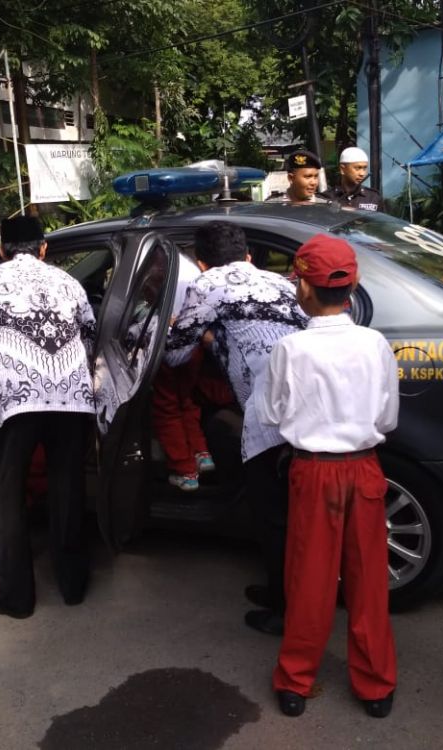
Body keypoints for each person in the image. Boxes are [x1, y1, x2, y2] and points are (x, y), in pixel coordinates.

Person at [254, 233, 399, 719]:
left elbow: (272, 413)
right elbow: (387, 419)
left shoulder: (290, 348)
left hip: (312, 470)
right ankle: (376, 685)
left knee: (309, 579)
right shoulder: (375, 344)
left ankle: (295, 680)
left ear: (303, 288)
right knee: (368, 580)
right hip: (365, 468)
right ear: (353, 285)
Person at [164, 221, 307, 635]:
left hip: (269, 413)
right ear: (247, 255)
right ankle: (282, 590)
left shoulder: (207, 285)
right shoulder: (279, 283)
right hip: (309, 403)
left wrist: (180, 327)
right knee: (289, 509)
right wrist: (216, 339)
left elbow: (174, 356)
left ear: (201, 263)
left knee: (273, 514)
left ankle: (286, 611)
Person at [0, 215, 96, 618]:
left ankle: (15, 598)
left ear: (1, 251)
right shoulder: (69, 282)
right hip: (73, 399)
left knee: (7, 496)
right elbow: (89, 335)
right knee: (68, 489)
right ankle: (73, 585)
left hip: (15, 401)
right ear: (43, 248)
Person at [151, 251, 216, 491]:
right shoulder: (188, 265)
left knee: (167, 408)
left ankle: (185, 471)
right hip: (195, 344)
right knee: (188, 401)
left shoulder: (154, 267)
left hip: (167, 346)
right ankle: (201, 453)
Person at [322, 147, 385, 211]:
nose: (362, 174)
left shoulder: (373, 197)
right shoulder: (326, 198)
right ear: (342, 169)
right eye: (357, 168)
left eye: (364, 168)